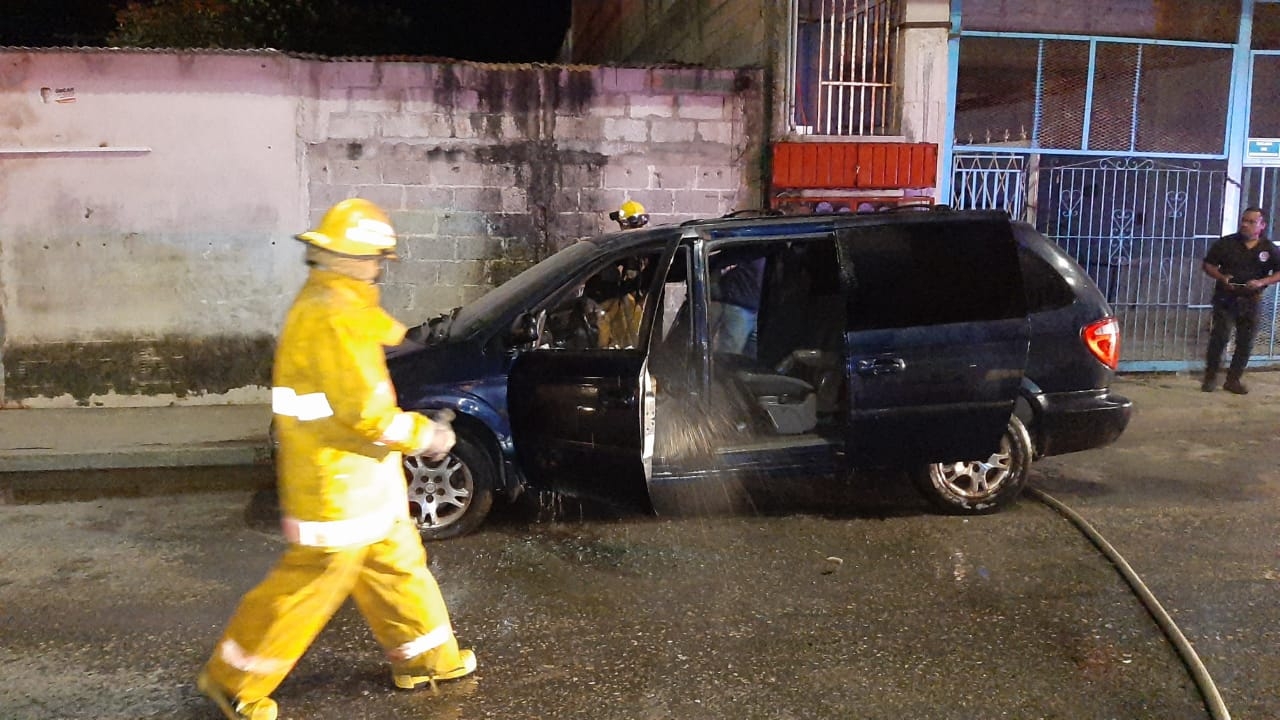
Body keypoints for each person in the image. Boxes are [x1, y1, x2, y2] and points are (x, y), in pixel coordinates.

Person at [197, 198, 475, 720]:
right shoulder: (334, 315)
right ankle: (232, 682)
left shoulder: (334, 301)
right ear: (352, 258)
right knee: (308, 585)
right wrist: (428, 437)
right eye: (375, 259)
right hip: (337, 485)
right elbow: (367, 413)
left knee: (397, 568)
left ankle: (428, 660)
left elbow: (383, 338)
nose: (378, 269)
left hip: (363, 480)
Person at [1201, 206, 1280, 394]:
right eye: (1244, 220)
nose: (1245, 224)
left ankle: (1233, 380)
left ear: (1262, 225)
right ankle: (1210, 377)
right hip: (1225, 298)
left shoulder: (1268, 248)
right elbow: (1208, 264)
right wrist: (1221, 277)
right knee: (1220, 337)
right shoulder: (1226, 243)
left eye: (1251, 222)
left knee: (1245, 341)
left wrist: (1262, 282)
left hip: (1252, 300)